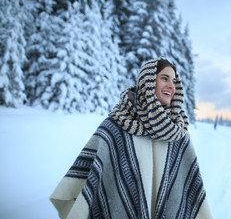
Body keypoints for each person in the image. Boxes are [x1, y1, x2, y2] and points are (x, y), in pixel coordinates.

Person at [50, 58, 213, 219]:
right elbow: (91, 180)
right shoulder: (116, 126)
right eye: (164, 78)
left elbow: (188, 191)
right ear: (147, 82)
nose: (171, 86)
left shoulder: (178, 132)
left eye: (174, 81)